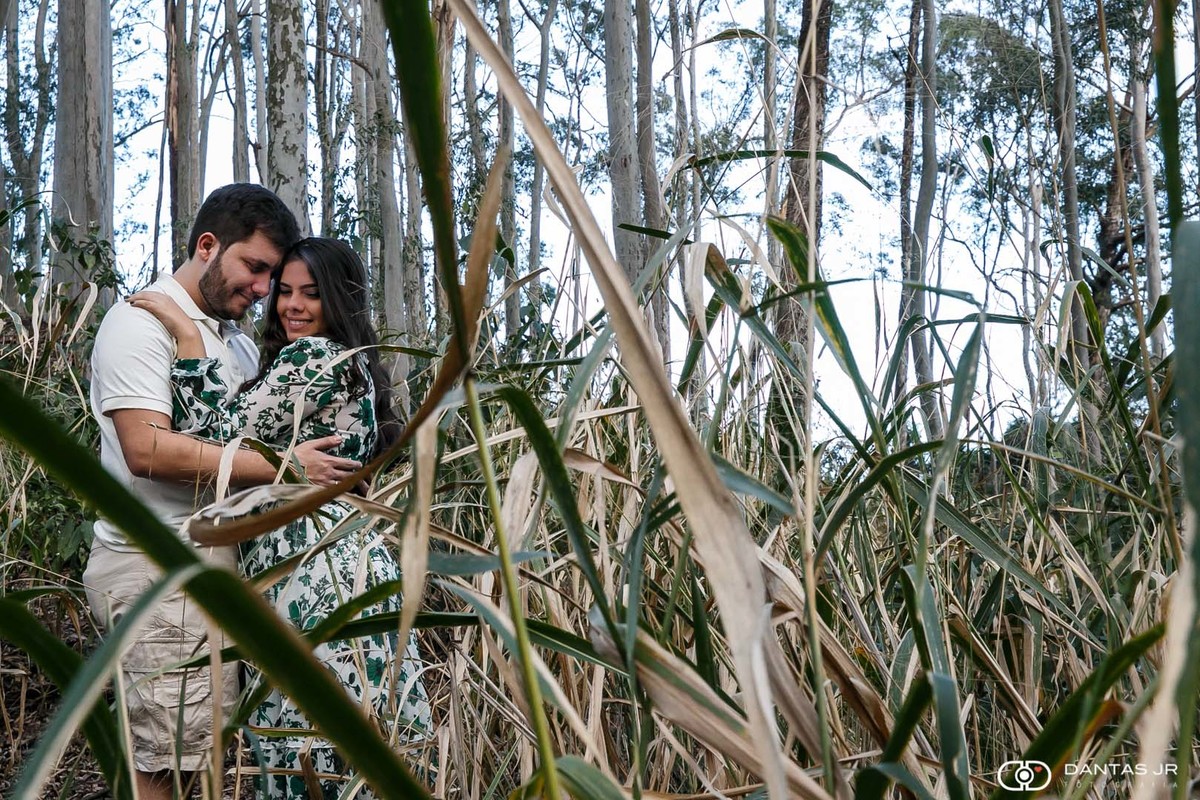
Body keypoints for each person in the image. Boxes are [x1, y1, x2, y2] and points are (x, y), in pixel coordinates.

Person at [83, 184, 360, 800]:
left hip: (213, 572)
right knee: (168, 764)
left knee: (202, 763)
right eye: (256, 269)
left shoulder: (229, 336)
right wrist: (284, 468)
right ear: (207, 246)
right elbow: (147, 449)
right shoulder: (140, 322)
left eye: (274, 276)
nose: (265, 290)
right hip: (163, 568)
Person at [130, 237, 432, 799]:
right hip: (347, 557)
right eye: (285, 291)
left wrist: (190, 336)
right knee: (355, 726)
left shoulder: (313, 358)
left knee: (304, 732)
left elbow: (212, 433)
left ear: (338, 301)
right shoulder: (355, 367)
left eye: (311, 295)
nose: (292, 305)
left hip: (307, 567)